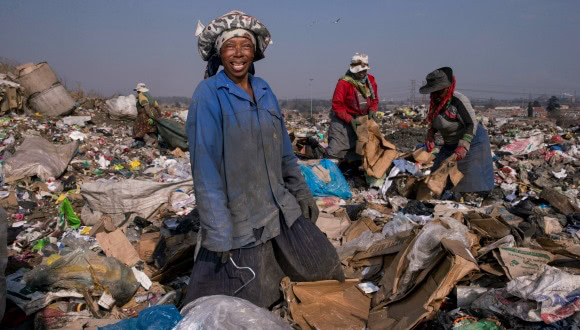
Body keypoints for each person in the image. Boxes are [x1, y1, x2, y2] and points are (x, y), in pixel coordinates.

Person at [184, 10, 344, 309]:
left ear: (255, 51)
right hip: (241, 217)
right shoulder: (208, 94)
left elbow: (284, 149)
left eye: (245, 45)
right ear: (219, 53)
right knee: (247, 304)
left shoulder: (264, 90)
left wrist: (300, 191)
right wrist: (218, 231)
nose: (238, 53)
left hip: (279, 206)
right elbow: (205, 170)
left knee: (325, 268)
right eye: (230, 46)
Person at [419, 67, 494, 195]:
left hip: (472, 142)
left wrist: (464, 145)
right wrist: (430, 135)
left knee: (470, 180)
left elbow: (471, 123)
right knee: (437, 173)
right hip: (450, 144)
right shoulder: (436, 102)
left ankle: (475, 198)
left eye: (438, 91)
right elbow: (435, 120)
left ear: (447, 88)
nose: (435, 94)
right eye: (433, 91)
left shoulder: (458, 101)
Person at [326, 53, 379, 160]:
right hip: (343, 120)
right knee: (335, 151)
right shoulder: (344, 83)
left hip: (362, 119)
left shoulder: (371, 80)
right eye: (359, 72)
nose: (361, 74)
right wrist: (349, 119)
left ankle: (353, 172)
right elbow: (337, 105)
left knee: (363, 150)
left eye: (364, 71)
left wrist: (372, 109)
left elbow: (374, 99)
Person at [132, 83, 161, 148]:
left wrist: (150, 116)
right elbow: (158, 107)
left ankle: (149, 141)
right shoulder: (150, 96)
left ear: (139, 90)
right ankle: (155, 144)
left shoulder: (141, 95)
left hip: (145, 115)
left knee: (137, 129)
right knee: (152, 130)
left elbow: (146, 106)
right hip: (154, 114)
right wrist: (159, 116)